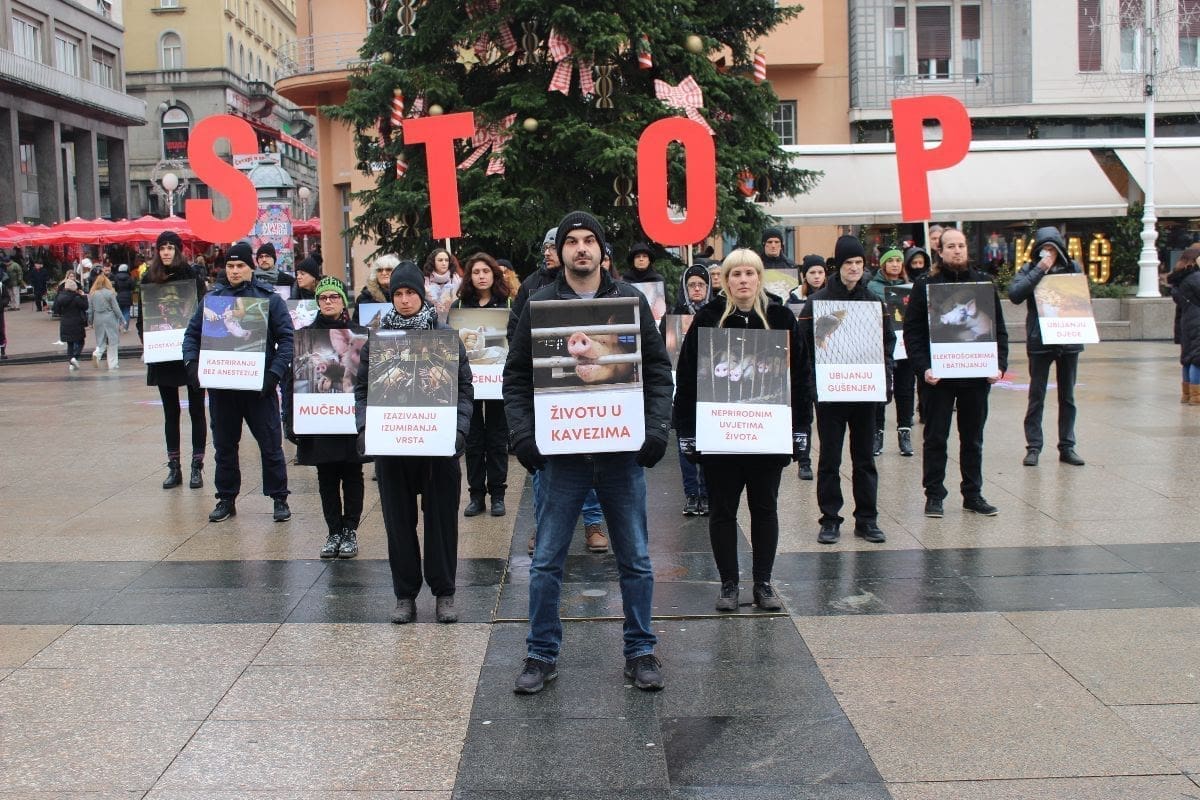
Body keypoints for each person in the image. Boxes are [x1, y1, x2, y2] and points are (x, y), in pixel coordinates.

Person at [505, 211, 671, 694]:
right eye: (572, 241)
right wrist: (522, 435)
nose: (581, 249)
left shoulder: (629, 301)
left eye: (589, 241)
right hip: (561, 457)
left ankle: (641, 651)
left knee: (636, 558)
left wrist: (656, 428)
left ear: (602, 251)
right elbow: (516, 378)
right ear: (559, 253)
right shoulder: (538, 303)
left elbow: (657, 372)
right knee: (547, 561)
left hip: (620, 454)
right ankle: (540, 654)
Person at [674, 249, 810, 608]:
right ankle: (729, 585)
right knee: (722, 510)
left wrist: (801, 429)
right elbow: (687, 377)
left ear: (759, 277)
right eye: (736, 274)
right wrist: (686, 430)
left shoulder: (780, 316)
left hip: (768, 434)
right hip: (721, 436)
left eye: (750, 273)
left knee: (765, 507)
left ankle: (763, 583)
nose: (743, 280)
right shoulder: (708, 317)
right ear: (726, 280)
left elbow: (801, 376)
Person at [354, 260, 473, 624]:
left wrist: (459, 431)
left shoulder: (446, 338)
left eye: (411, 293)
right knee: (398, 522)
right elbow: (362, 392)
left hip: (438, 448)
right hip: (394, 447)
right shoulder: (377, 341)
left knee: (441, 522)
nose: (405, 300)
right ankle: (405, 595)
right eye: (399, 294)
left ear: (422, 296)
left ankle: (444, 593)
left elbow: (465, 389)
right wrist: (365, 428)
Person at [508, 225, 609, 555]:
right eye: (554, 245)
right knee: (545, 472)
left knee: (592, 458)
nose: (554, 251)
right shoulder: (532, 289)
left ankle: (593, 523)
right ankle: (543, 526)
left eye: (587, 242)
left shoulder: (605, 288)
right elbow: (516, 338)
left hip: (596, 394)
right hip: (551, 395)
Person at [183, 240, 294, 524]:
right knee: (224, 446)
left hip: (259, 389)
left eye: (240, 266)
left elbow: (287, 340)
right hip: (223, 389)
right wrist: (193, 366)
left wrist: (273, 375)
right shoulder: (213, 299)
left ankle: (279, 497)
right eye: (230, 266)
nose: (234, 271)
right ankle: (226, 498)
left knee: (270, 445)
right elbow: (191, 336)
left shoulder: (269, 299)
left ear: (251, 267)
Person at [903, 228, 1009, 518]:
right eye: (951, 246)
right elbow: (912, 333)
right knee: (936, 437)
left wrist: (998, 365)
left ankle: (973, 494)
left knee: (972, 438)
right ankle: (934, 495)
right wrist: (923, 368)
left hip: (975, 376)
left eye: (961, 245)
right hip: (938, 378)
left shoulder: (983, 282)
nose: (957, 251)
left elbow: (998, 329)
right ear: (940, 250)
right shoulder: (926, 284)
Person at [802, 236, 895, 544]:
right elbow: (805, 349)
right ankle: (830, 518)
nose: (854, 268)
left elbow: (887, 345)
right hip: (831, 395)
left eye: (858, 263)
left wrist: (887, 382)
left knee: (864, 457)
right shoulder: (818, 303)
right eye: (848, 263)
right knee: (829, 458)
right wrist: (814, 387)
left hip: (865, 392)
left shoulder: (874, 302)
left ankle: (867, 519)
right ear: (837, 266)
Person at [292, 276, 369, 559]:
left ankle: (350, 530)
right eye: (323, 298)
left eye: (333, 297)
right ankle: (333, 530)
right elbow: (294, 380)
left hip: (350, 418)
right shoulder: (305, 335)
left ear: (342, 301)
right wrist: (291, 420)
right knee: (326, 476)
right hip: (318, 419)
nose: (328, 302)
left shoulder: (359, 334)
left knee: (352, 473)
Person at [1008, 226, 1087, 466]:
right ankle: (1034, 446)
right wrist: (1040, 270)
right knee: (1037, 395)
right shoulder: (1030, 269)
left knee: (1068, 396)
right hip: (1040, 340)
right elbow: (1015, 294)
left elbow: (1081, 300)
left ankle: (1067, 446)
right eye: (1044, 249)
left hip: (1068, 340)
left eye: (1053, 249)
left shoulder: (1072, 268)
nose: (1049, 254)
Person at [138, 231, 209, 489]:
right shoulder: (149, 278)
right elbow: (143, 319)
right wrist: (148, 342)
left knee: (197, 410)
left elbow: (202, 313)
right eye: (162, 248)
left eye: (171, 248)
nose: (166, 252)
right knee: (170, 412)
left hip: (189, 353)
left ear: (178, 250)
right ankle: (174, 467)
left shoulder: (192, 276)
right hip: (163, 355)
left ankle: (196, 467)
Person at [453, 252, 512, 517]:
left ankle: (497, 494)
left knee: (498, 439)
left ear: (494, 274)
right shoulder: (459, 308)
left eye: (485, 271)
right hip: (470, 382)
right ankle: (476, 495)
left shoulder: (508, 303)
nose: (481, 276)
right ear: (469, 276)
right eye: (476, 272)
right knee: (474, 439)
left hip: (499, 380)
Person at [668, 263, 711, 516]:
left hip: (708, 388)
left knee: (707, 445)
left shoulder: (717, 313)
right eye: (692, 285)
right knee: (685, 445)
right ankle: (691, 494)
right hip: (682, 390)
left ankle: (706, 493)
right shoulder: (673, 316)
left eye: (701, 285)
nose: (696, 289)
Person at [868, 247, 915, 457]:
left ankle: (904, 433)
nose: (895, 264)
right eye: (891, 260)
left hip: (905, 346)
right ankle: (877, 433)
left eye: (898, 260)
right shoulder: (872, 287)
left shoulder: (911, 287)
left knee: (905, 390)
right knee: (881, 391)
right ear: (883, 264)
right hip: (881, 345)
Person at [1167, 243, 1200, 404]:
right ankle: (1197, 395)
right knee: (1197, 359)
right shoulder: (1195, 278)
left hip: (1187, 321)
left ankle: (1187, 393)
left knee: (1188, 358)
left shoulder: (1181, 278)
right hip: (1198, 322)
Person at [88, 274, 123, 370]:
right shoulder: (110, 293)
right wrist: (122, 319)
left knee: (101, 340)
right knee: (113, 341)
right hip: (110, 318)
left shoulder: (92, 294)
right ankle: (113, 364)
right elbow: (116, 308)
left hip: (98, 318)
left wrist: (90, 322)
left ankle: (97, 353)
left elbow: (90, 310)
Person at [53, 278, 89, 370]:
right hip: (77, 322)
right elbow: (85, 307)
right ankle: (75, 358)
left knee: (70, 344)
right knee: (81, 341)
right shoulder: (76, 298)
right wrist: (84, 296)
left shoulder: (60, 297)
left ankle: (71, 360)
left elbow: (55, 310)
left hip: (65, 322)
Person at [422, 248, 462, 318]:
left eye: (446, 260)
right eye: (440, 260)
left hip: (454, 318)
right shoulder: (425, 281)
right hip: (432, 320)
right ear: (433, 262)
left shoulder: (457, 279)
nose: (444, 263)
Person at [113, 264, 135, 331]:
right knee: (126, 312)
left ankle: (118, 325)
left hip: (119, 295)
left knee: (119, 311)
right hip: (128, 296)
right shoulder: (129, 277)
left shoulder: (116, 277)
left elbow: (115, 287)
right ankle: (125, 328)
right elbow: (132, 287)